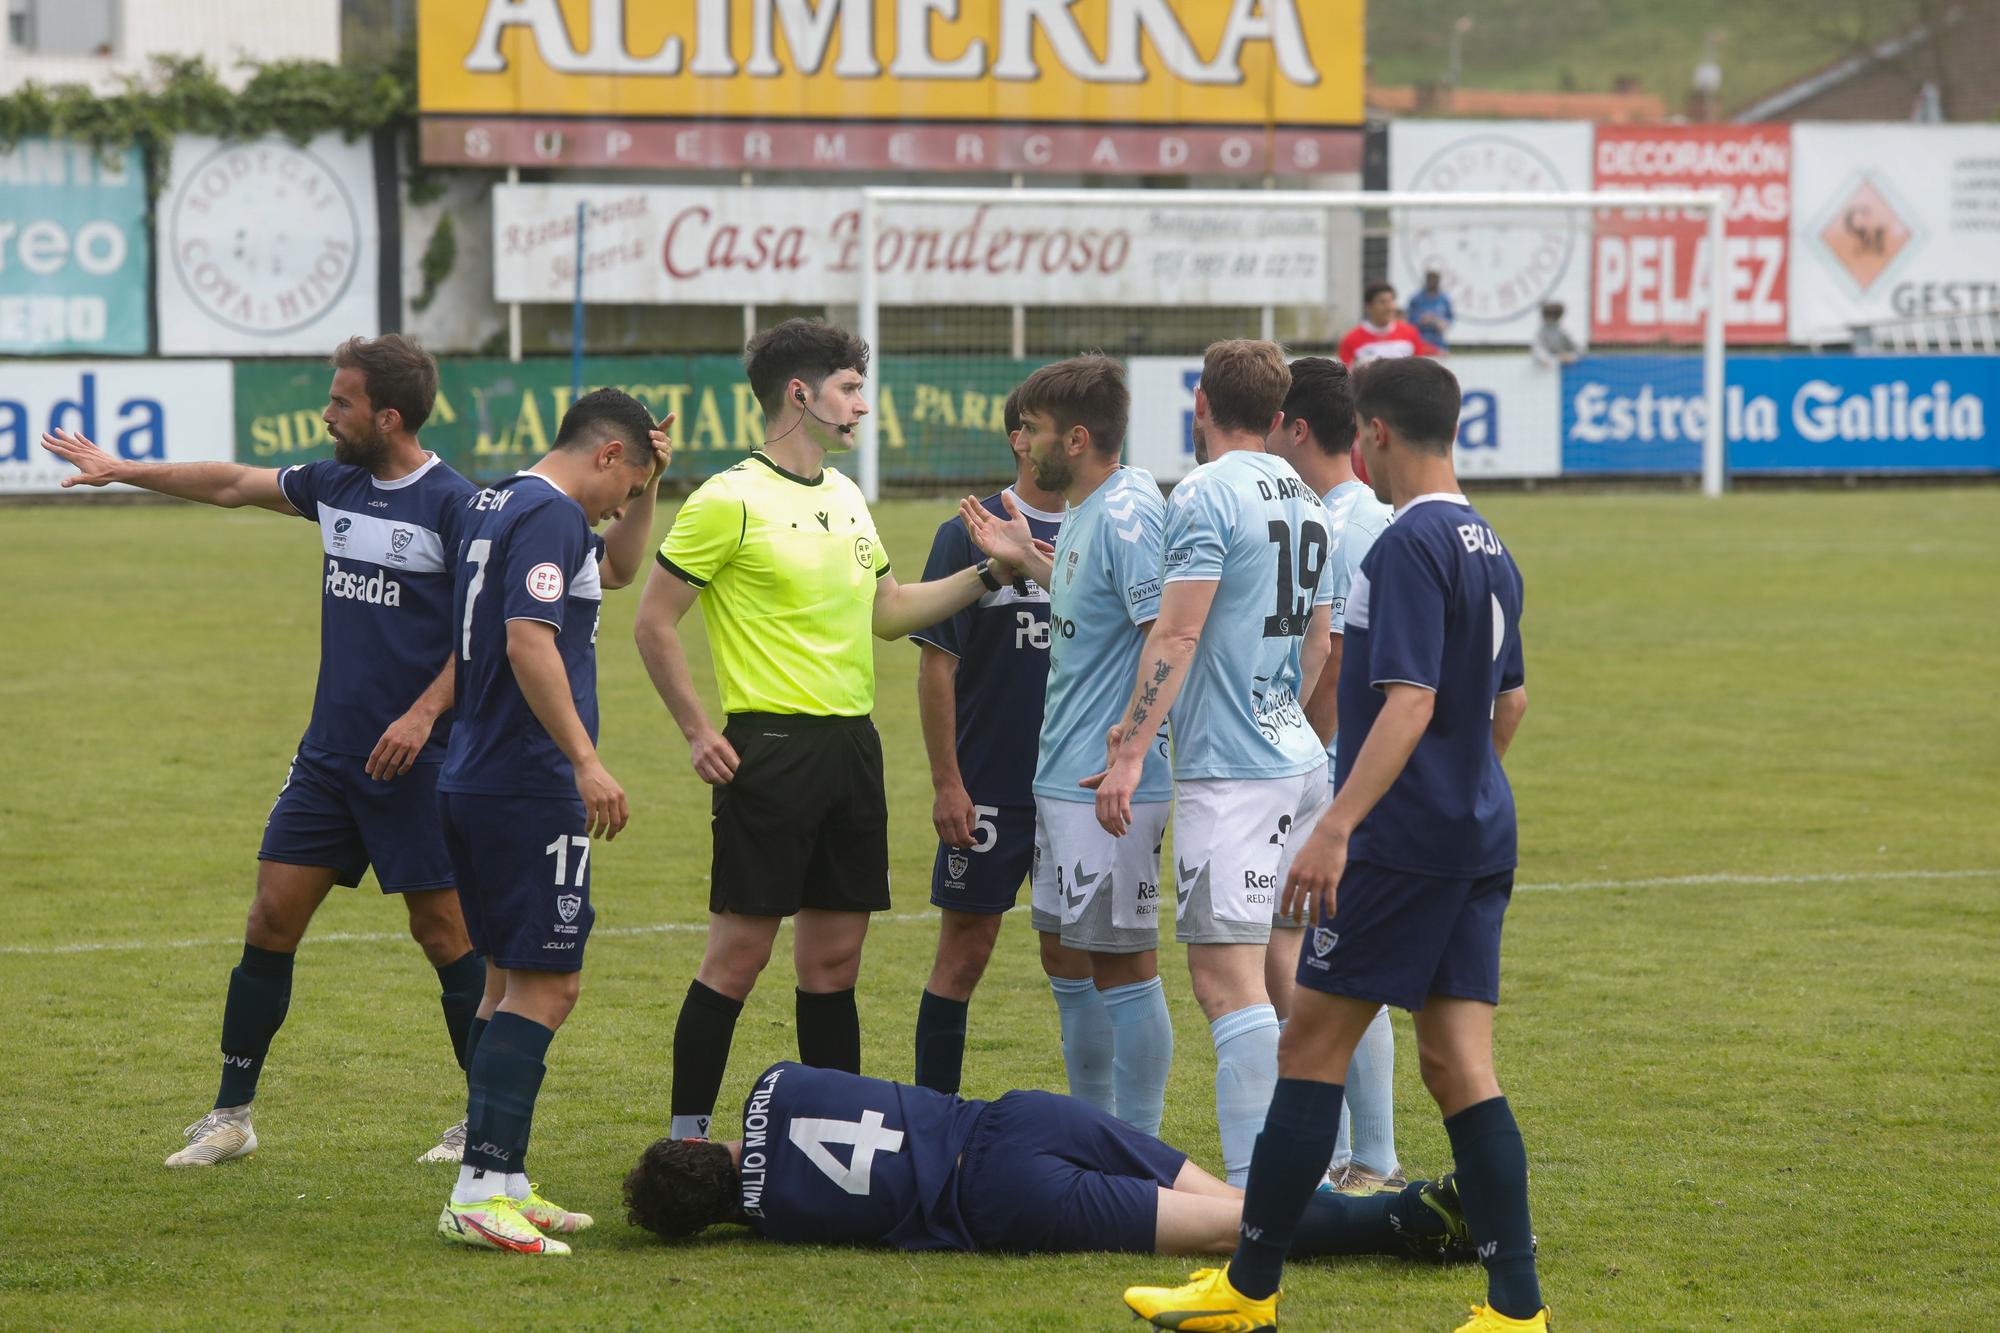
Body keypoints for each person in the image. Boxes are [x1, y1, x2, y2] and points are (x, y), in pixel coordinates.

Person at [1124, 356, 1544, 1332]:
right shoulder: (1490, 542)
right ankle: (1516, 1309)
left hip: (1399, 844)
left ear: (1379, 434)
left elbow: (1407, 700)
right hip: (1477, 831)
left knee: (1309, 1042)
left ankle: (1247, 1287)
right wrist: (1463, 788)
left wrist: (1340, 825)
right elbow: (1509, 700)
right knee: (1457, 1063)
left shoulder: (1404, 545)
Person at [42, 335, 488, 1169]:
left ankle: (484, 1119)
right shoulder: (336, 484)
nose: (327, 413)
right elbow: (231, 484)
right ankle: (231, 1115)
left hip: (417, 765)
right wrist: (122, 468)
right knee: (270, 920)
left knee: (445, 936)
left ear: (388, 416)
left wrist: (425, 714)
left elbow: (483, 632)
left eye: (342, 401)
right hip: (329, 759)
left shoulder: (455, 506)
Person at [633, 318, 1025, 1143]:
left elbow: (889, 613)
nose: (862, 406)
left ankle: (827, 1148)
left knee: (834, 966)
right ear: (800, 394)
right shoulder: (728, 497)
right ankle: (687, 1141)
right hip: (768, 751)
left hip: (853, 750)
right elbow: (654, 621)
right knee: (738, 961)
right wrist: (698, 728)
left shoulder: (847, 497)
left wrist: (992, 569)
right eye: (850, 389)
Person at [1087, 340, 1334, 1187]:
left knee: (1227, 984)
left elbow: (1179, 630)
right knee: (1286, 970)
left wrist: (1126, 750)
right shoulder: (1308, 496)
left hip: (1234, 774)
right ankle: (1325, 1165)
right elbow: (1318, 643)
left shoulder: (1199, 493)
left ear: (1201, 403)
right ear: (1275, 418)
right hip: (1299, 758)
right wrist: (1276, 710)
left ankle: (1254, 1199)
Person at [435, 388, 670, 1256]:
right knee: (549, 985)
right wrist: (585, 758)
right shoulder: (550, 513)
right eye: (628, 481)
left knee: (504, 983)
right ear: (606, 453)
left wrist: (650, 493)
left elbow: (610, 572)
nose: (621, 504)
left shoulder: (495, 499)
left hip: (475, 773)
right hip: (526, 781)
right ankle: (475, 1188)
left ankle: (502, 1180)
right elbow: (530, 639)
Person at [623, 1061, 1472, 1264]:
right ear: (697, 1143)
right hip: (1016, 1117)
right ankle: (1425, 1215)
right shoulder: (775, 1079)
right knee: (1230, 1200)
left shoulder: (771, 1220)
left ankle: (1404, 1219)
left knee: (1230, 1233)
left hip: (1000, 1197)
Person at [957, 357, 1176, 1136]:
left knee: (1122, 967)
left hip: (1105, 785)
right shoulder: (1087, 510)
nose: (1027, 444)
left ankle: (1140, 1149)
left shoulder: (1128, 513)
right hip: (1061, 778)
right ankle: (1097, 1131)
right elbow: (1101, 605)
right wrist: (1029, 563)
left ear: (1076, 438)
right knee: (1065, 959)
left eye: (1038, 431)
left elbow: (1164, 631)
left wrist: (1130, 752)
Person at [1266, 355, 1403, 1196]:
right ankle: (1359, 1152)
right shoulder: (1358, 515)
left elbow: (1341, 661)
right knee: (1328, 961)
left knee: (1316, 957)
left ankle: (1367, 1154)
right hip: (1354, 770)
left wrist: (1308, 763)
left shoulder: (1344, 524)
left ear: (1298, 428)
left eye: (1274, 425)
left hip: (1336, 771)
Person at [908, 388, 1068, 1096]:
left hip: (1078, 788)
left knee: (1077, 961)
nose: (1062, 442)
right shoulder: (969, 529)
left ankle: (1097, 1127)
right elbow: (937, 666)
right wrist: (949, 781)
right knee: (964, 953)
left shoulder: (1107, 525)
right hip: (990, 787)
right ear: (1019, 439)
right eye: (1045, 430)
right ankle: (933, 1119)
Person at [1337, 281, 1442, 367]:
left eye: (1391, 301)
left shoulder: (1410, 333)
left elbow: (1420, 369)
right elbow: (1345, 379)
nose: (1389, 308)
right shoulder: (1350, 339)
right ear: (1368, 306)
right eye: (1382, 302)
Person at [1406, 269, 1455, 352]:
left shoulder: (1444, 298)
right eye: (1431, 280)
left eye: (1436, 280)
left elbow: (1450, 317)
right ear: (1427, 281)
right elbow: (1409, 320)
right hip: (1421, 339)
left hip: (1438, 341)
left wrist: (1445, 323)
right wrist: (1421, 320)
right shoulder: (1416, 298)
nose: (1434, 283)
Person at [1531, 301, 1581, 367]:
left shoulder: (1563, 330)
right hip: (1544, 366)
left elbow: (1578, 349)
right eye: (1548, 315)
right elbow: (1538, 349)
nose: (1551, 318)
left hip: (1562, 366)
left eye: (1554, 315)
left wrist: (1569, 356)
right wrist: (1545, 359)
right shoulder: (1541, 331)